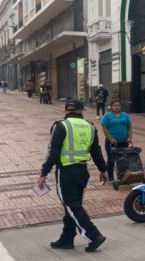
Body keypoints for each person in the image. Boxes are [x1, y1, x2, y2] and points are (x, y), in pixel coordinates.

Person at [37, 99, 108, 252]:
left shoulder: (60, 125)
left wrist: (44, 172)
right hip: (83, 172)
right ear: (82, 111)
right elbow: (96, 150)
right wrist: (103, 169)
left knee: (72, 205)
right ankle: (67, 238)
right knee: (72, 205)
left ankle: (93, 234)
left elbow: (53, 151)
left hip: (66, 172)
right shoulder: (90, 126)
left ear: (65, 111)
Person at [101, 100, 133, 182]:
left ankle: (122, 176)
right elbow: (105, 128)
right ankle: (110, 178)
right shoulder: (107, 116)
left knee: (123, 160)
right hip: (112, 142)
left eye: (118, 105)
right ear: (112, 106)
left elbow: (129, 126)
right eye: (115, 105)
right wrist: (111, 139)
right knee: (111, 159)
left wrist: (129, 137)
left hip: (124, 141)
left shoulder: (125, 115)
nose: (117, 107)